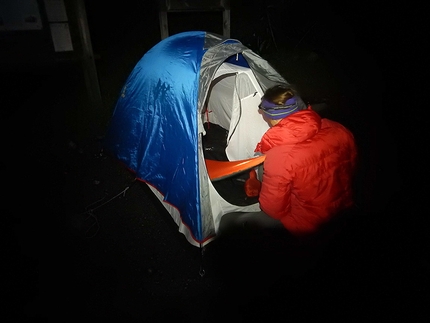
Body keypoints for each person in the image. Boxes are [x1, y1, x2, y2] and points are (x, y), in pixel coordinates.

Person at [251, 84, 358, 240]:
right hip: (343, 209)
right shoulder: (339, 129)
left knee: (234, 223)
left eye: (263, 113)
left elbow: (273, 210)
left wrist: (260, 189)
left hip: (308, 224)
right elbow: (352, 168)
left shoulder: (281, 156)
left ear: (271, 116)